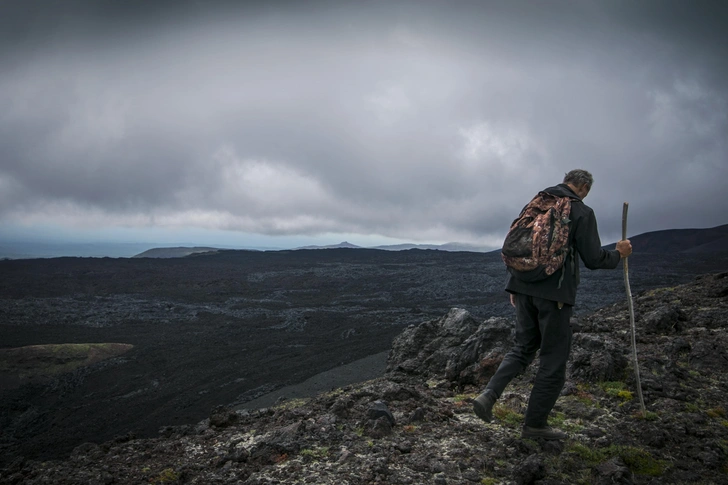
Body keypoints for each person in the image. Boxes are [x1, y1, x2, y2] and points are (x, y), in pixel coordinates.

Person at [473, 169, 632, 440]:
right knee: (553, 359)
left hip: (521, 289)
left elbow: (520, 247)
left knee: (522, 348)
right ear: (583, 187)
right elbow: (593, 259)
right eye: (586, 190)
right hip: (554, 295)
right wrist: (618, 253)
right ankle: (535, 425)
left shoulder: (536, 203)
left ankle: (489, 395)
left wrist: (515, 285)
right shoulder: (580, 211)